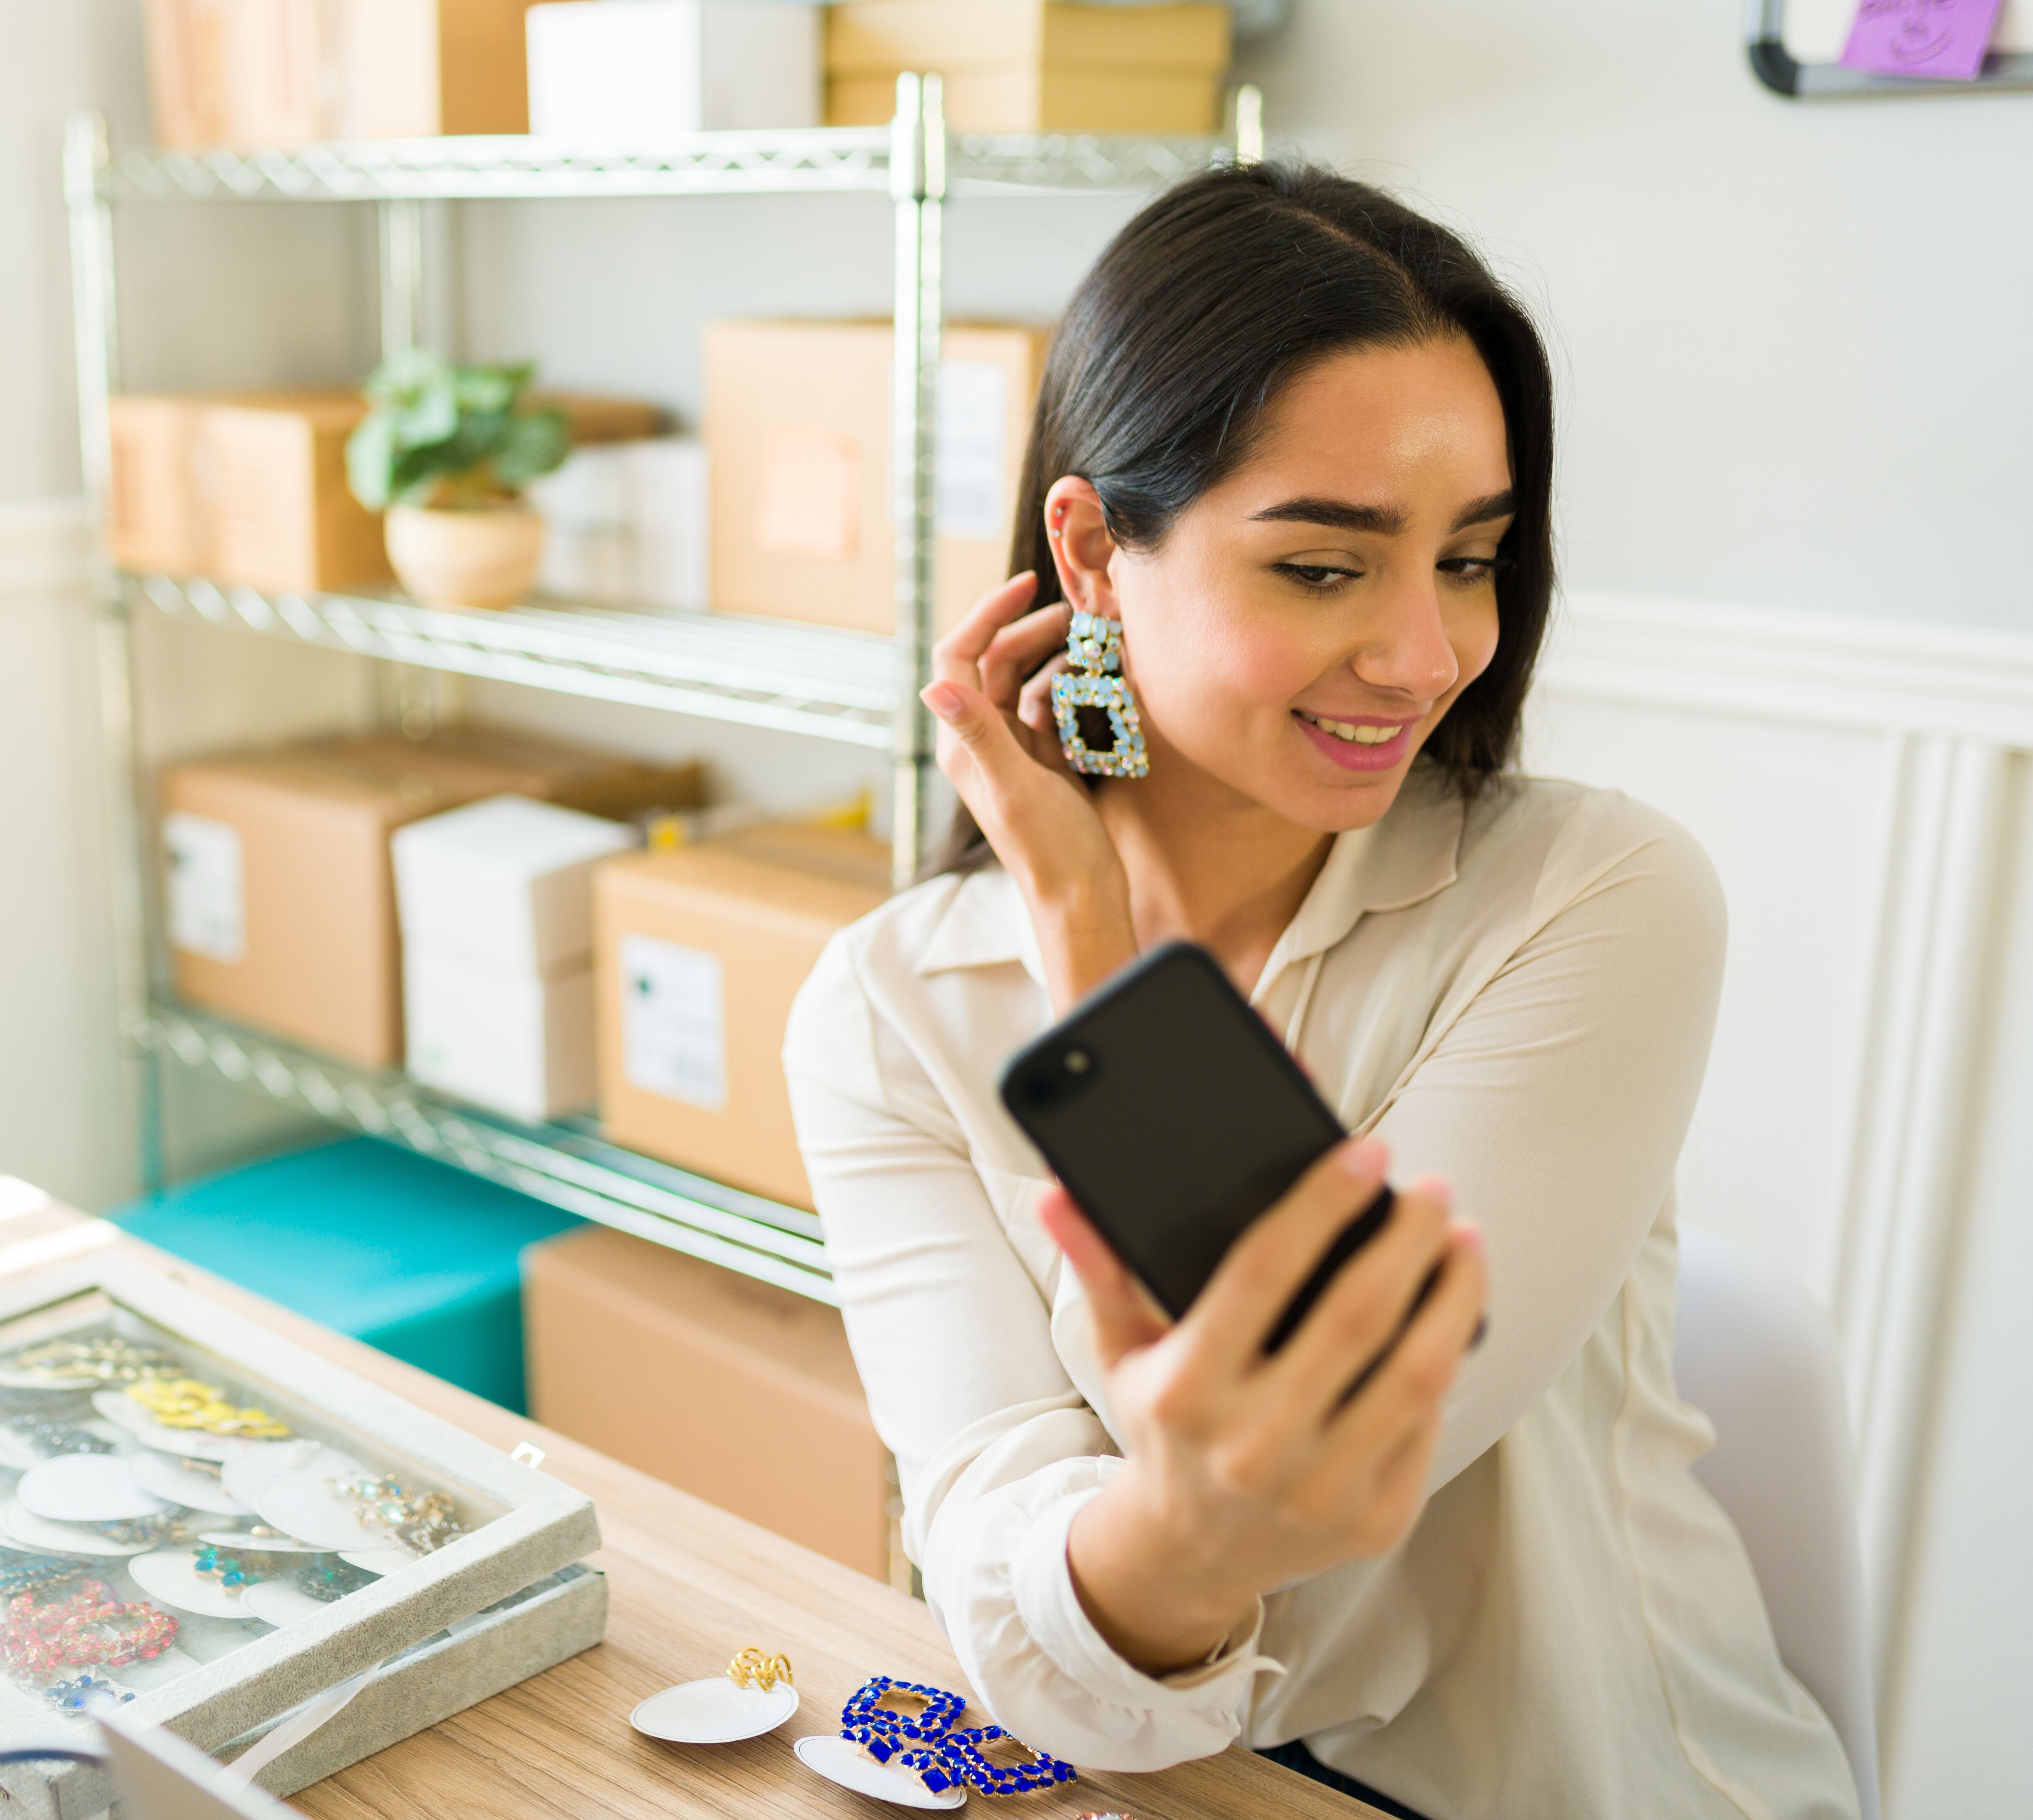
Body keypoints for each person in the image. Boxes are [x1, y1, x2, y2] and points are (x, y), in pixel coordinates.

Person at [781, 164, 1859, 1820]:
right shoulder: (889, 1010)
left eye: (1473, 558)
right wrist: (1166, 1549)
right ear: (1094, 550)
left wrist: (1092, 946)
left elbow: (1341, 1437)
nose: (1429, 655)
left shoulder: (1595, 898)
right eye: (1325, 568)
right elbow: (1008, 1601)